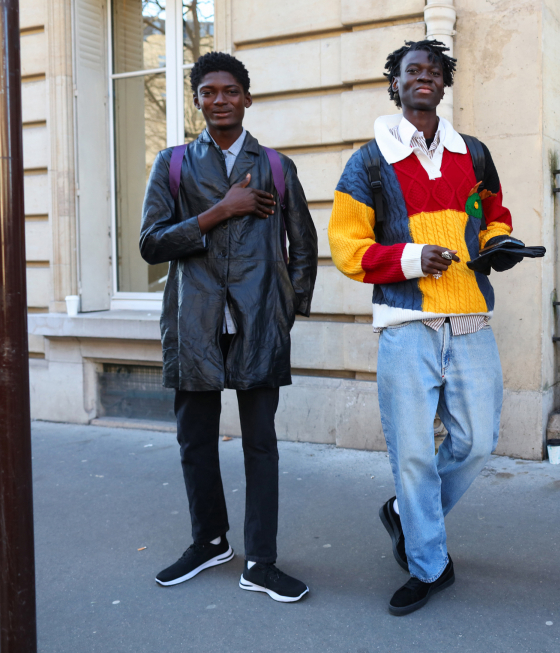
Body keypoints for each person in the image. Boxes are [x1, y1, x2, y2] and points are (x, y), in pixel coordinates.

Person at [328, 39, 518, 616]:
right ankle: (427, 563)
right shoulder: (368, 161)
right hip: (407, 325)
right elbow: (346, 248)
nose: (424, 78)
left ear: (444, 81)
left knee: (478, 440)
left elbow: (494, 215)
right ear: (397, 82)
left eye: (433, 71)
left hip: (468, 321)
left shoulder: (474, 153)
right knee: (412, 454)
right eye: (413, 71)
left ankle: (406, 513)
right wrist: (410, 258)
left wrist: (498, 244)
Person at [140, 52, 318, 602]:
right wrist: (221, 210)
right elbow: (150, 244)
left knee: (261, 444)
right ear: (196, 100)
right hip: (193, 321)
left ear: (247, 97)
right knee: (195, 440)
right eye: (209, 91)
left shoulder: (278, 167)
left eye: (230, 90)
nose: (220, 99)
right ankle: (209, 540)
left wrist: (285, 311)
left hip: (259, 320)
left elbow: (304, 248)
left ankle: (260, 561)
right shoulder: (172, 164)